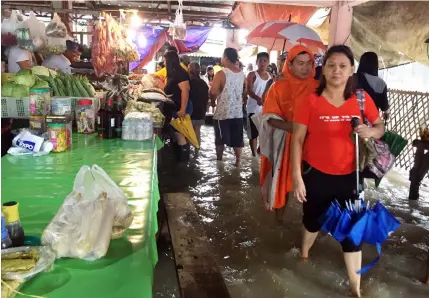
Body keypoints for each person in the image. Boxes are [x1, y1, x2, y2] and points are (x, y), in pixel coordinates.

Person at [291, 45, 385, 297]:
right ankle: (304, 253)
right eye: (331, 65)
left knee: (352, 232)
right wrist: (297, 177)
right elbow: (297, 140)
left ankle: (355, 289)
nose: (336, 70)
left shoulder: (361, 99)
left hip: (350, 177)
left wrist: (370, 131)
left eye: (343, 66)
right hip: (316, 173)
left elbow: (380, 126)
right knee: (312, 221)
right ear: (323, 69)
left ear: (351, 70)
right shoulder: (309, 100)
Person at [259, 45, 319, 223]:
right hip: (287, 144)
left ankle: (309, 225)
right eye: (300, 63)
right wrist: (292, 127)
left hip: (313, 144)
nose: (305, 68)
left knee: (314, 187)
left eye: (309, 63)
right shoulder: (278, 87)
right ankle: (280, 222)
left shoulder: (318, 87)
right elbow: (268, 118)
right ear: (290, 65)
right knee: (282, 185)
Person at [210, 48, 246, 167]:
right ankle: (238, 161)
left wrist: (213, 101)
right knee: (237, 139)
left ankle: (219, 160)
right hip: (237, 113)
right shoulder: (241, 73)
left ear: (225, 58)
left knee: (220, 139)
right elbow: (244, 92)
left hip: (223, 113)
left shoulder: (221, 73)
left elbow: (213, 91)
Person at [164, 51, 193, 162]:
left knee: (180, 133)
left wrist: (183, 109)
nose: (164, 62)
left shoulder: (180, 73)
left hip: (181, 106)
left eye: (165, 60)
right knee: (177, 133)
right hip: (175, 105)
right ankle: (179, 159)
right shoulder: (174, 72)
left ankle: (184, 162)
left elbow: (185, 91)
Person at [246, 52, 271, 156]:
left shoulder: (271, 77)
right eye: (260, 60)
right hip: (252, 109)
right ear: (256, 62)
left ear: (268, 62)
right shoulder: (252, 74)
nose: (262, 63)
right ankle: (254, 156)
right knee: (253, 135)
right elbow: (249, 91)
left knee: (264, 134)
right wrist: (257, 98)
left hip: (265, 110)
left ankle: (260, 154)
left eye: (265, 61)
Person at [355, 52, 389, 121]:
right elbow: (384, 106)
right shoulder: (380, 83)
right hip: (371, 120)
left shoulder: (353, 78)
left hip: (353, 118)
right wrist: (386, 114)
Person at [188, 62, 209, 153]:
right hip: (201, 110)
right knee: (197, 131)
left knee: (188, 131)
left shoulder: (189, 82)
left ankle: (188, 152)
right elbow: (206, 98)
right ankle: (197, 151)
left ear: (190, 70)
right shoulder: (203, 83)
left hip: (191, 110)